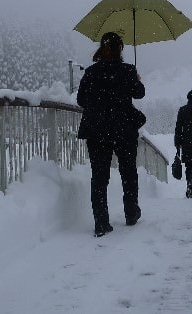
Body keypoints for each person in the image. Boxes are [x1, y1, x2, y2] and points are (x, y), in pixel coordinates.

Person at [76, 32, 146, 237]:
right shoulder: (128, 71)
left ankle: (101, 222)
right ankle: (131, 213)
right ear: (120, 49)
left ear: (102, 47)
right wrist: (135, 78)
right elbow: (139, 93)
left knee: (99, 176)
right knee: (128, 173)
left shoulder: (91, 73)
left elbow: (81, 100)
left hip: (97, 130)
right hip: (124, 129)